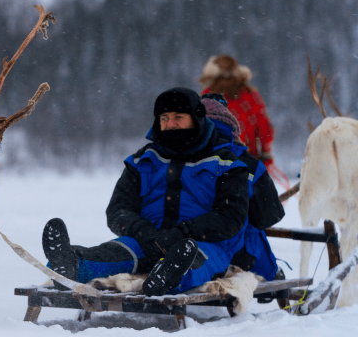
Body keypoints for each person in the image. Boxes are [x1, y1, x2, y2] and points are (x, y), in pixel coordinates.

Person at [43, 87, 250, 296]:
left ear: (197, 118)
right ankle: (71, 265)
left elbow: (231, 217)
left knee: (191, 260)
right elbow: (118, 209)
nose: (171, 124)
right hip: (146, 241)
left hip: (203, 245)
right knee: (111, 254)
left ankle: (168, 277)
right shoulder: (142, 160)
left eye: (179, 117)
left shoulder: (227, 163)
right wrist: (144, 232)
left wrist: (184, 232)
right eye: (165, 118)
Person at [201, 93, 285, 282]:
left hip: (183, 241)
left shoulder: (179, 156)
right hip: (238, 253)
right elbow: (270, 215)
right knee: (252, 231)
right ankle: (272, 277)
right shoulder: (247, 163)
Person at [198, 55, 275, 168]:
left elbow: (200, 130)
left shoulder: (207, 97)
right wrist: (265, 153)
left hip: (216, 163)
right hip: (249, 160)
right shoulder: (250, 95)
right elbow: (264, 128)